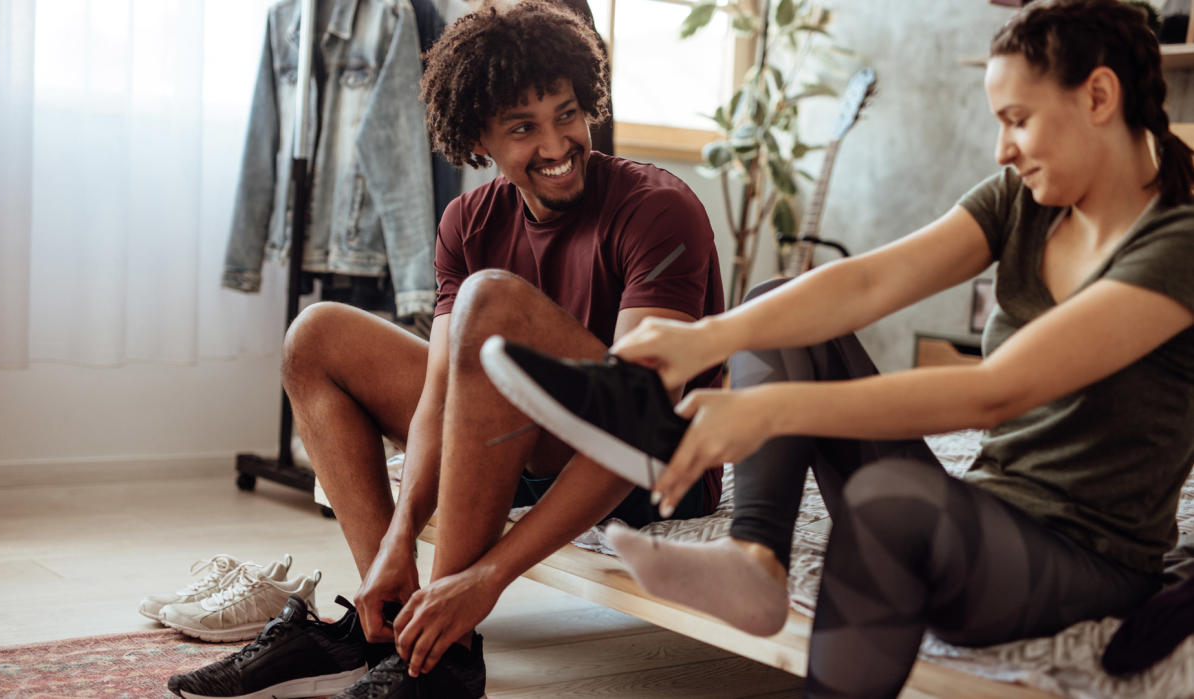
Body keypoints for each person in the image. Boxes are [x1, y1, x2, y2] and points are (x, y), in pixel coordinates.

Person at [481, 1, 1194, 696]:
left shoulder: (1179, 244)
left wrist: (768, 411)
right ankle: (753, 554)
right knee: (769, 304)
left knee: (893, 501)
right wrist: (705, 336)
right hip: (988, 507)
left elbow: (997, 390)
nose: (1001, 148)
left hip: (1085, 557)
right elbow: (870, 279)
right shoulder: (1023, 199)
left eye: (1017, 120)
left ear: (1100, 95)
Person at [167, 2, 724, 698]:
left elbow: (637, 419)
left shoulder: (656, 205)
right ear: (478, 139)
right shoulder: (468, 219)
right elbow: (440, 397)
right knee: (316, 335)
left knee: (488, 304)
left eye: (567, 114)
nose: (556, 144)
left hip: (651, 468)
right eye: (523, 128)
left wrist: (485, 579)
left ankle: (448, 648)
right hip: (533, 433)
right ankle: (392, 622)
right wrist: (400, 538)